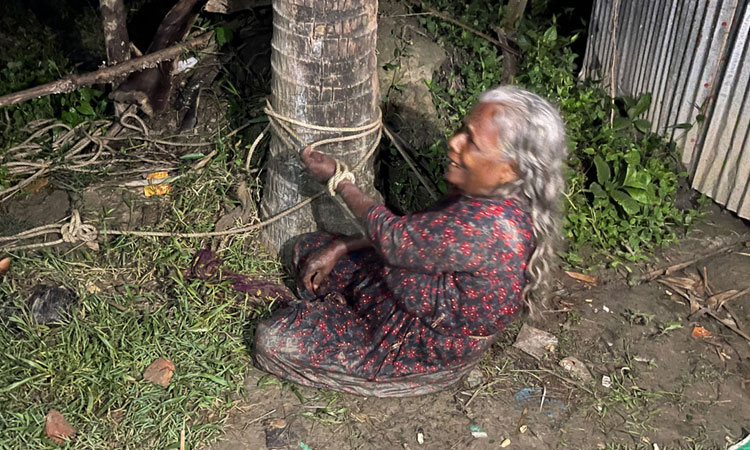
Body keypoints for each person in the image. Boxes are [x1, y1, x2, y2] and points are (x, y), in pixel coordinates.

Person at [254, 86, 567, 397]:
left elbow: (394, 238)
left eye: (471, 141)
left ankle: (418, 375)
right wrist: (341, 247)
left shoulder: (486, 226)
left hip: (417, 342)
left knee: (272, 341)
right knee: (306, 250)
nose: (454, 143)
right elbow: (416, 236)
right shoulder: (492, 196)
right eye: (462, 130)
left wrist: (341, 180)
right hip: (402, 291)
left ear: (509, 169)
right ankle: (340, 311)